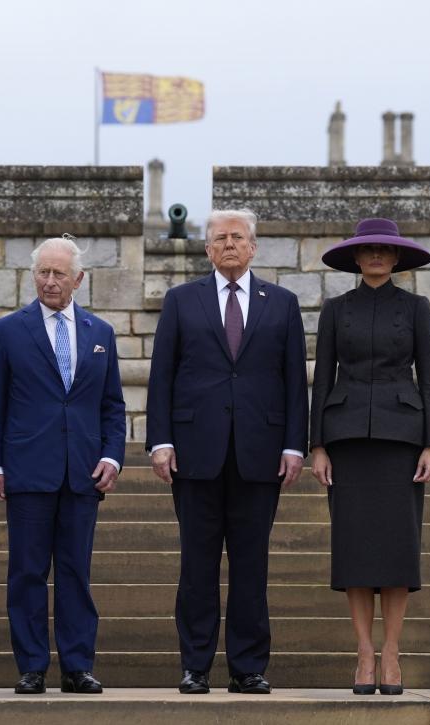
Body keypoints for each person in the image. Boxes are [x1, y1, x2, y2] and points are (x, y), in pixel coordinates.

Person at [146, 208, 308, 695]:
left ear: (254, 247)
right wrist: (161, 440)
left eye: (238, 237)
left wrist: (294, 444)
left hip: (260, 454)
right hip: (195, 453)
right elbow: (163, 377)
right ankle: (195, 665)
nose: (230, 245)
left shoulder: (281, 303)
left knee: (251, 566)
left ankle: (248, 667)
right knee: (197, 566)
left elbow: (294, 380)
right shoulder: (181, 300)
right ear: (207, 248)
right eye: (220, 238)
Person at [0, 234, 126, 695]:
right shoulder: (9, 330)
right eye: (42, 272)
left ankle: (77, 666)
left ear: (77, 279)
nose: (49, 281)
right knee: (26, 572)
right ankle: (31, 666)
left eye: (58, 273)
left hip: (83, 472)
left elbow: (112, 405)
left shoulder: (100, 334)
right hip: (27, 470)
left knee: (75, 574)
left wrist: (111, 455)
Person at [309, 217, 430, 695]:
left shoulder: (415, 308)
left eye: (386, 250)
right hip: (346, 441)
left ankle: (392, 653)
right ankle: (364, 654)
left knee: (397, 550)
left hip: (401, 441)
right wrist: (317, 445)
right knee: (355, 551)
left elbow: (428, 377)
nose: (377, 257)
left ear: (397, 257)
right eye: (369, 251)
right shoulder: (335, 309)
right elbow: (322, 379)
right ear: (356, 258)